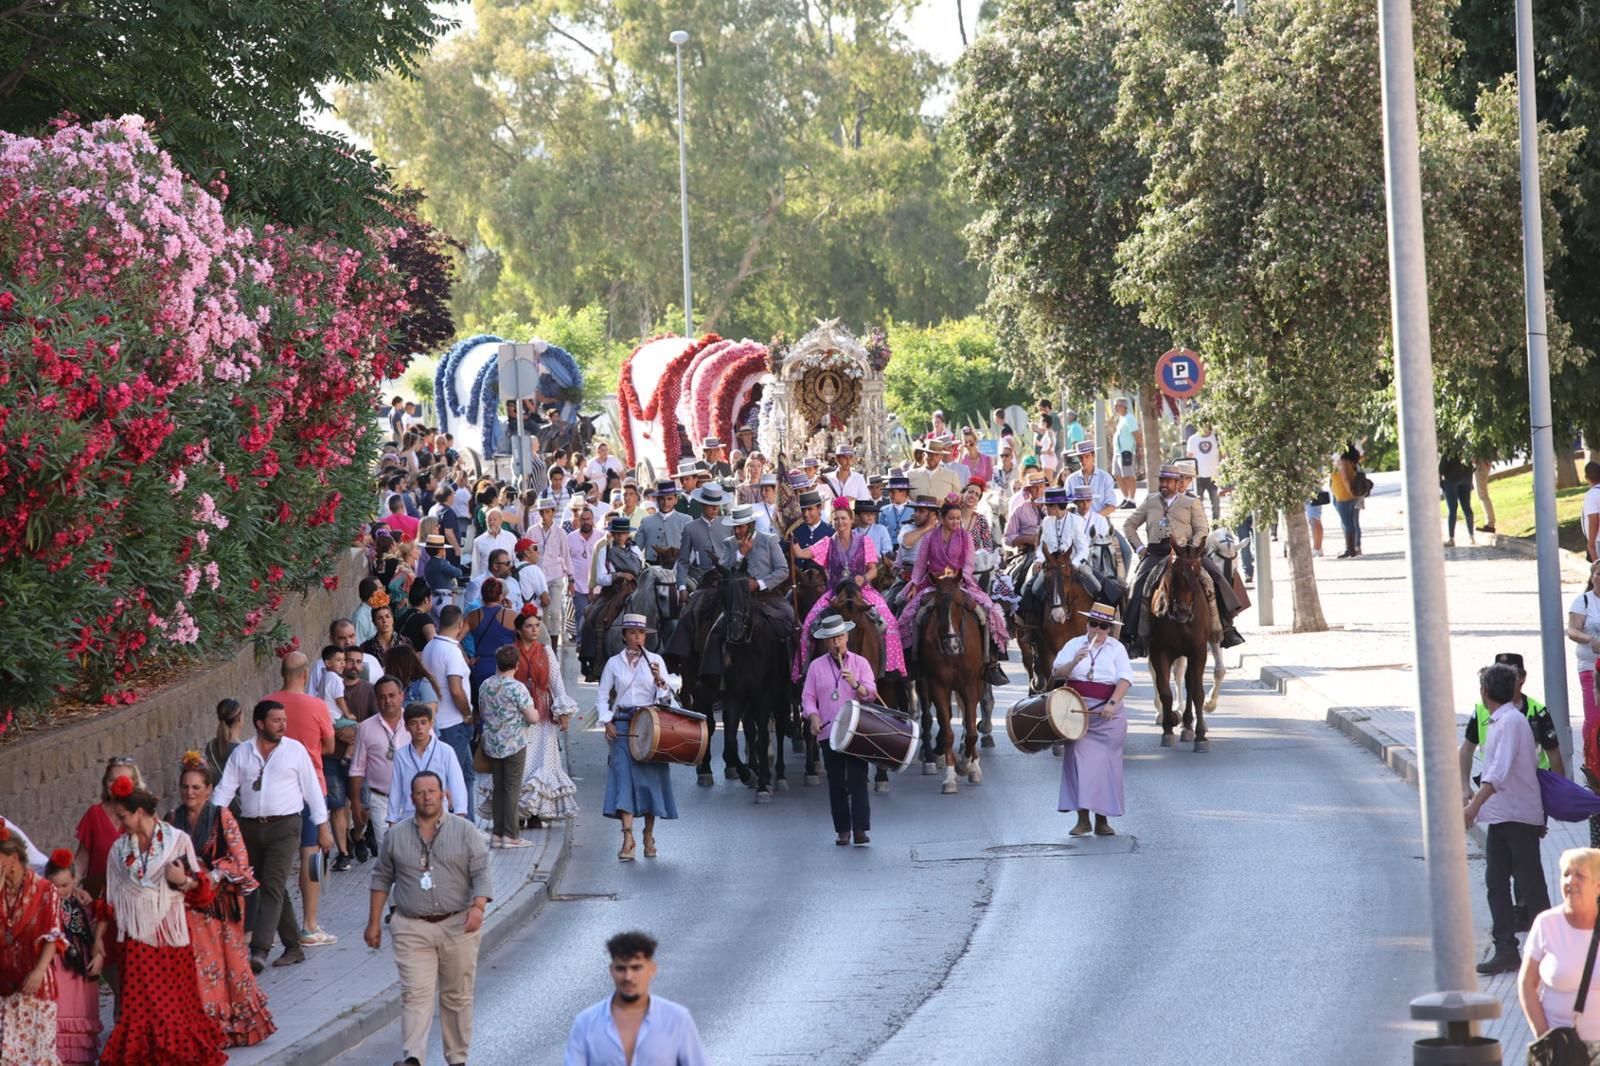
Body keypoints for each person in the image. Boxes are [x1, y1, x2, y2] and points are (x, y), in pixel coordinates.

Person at [365, 771, 492, 1066]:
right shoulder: (396, 836)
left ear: (443, 795)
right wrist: (373, 923)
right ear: (412, 798)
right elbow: (381, 877)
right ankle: (413, 1058)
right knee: (415, 994)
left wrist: (478, 908)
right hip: (412, 926)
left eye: (432, 791)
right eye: (420, 792)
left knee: (456, 996)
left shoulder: (465, 830)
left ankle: (457, 1058)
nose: (427, 797)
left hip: (457, 924)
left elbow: (481, 871)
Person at [99, 781, 228, 1064]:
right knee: (140, 1008)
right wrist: (98, 943)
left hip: (170, 940)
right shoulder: (118, 851)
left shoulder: (176, 841)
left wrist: (184, 881)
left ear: (140, 812)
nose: (120, 825)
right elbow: (109, 902)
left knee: (172, 1007)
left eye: (123, 817)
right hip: (134, 942)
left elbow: (201, 894)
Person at [210, 699, 333, 973]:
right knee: (267, 884)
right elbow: (224, 791)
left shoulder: (295, 751)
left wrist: (322, 826)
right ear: (260, 723)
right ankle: (292, 946)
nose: (282, 726)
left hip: (286, 826)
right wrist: (211, 822)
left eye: (284, 721)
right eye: (277, 721)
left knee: (273, 884)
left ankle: (260, 950)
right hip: (250, 827)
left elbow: (312, 789)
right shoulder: (242, 753)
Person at [166, 753, 275, 1047]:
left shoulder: (221, 817)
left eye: (196, 787)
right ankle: (205, 1026)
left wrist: (213, 875)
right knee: (198, 968)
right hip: (185, 905)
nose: (189, 792)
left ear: (209, 789)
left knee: (226, 964)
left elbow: (240, 859)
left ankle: (234, 1025)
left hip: (218, 904)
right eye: (185, 787)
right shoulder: (172, 820)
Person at [1465, 662, 1551, 974]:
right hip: (1503, 816)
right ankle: (1505, 948)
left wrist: (1473, 806)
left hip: (1518, 816)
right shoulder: (1502, 720)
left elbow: (1497, 773)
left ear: (1484, 692)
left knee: (1531, 887)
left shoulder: (1512, 722)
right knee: (1495, 882)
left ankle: (1553, 950)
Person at [1121, 464, 1244, 657]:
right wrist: (1140, 548)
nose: (1164, 485)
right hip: (1156, 553)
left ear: (1178, 483)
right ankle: (1134, 637)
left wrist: (1191, 549)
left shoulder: (1190, 502)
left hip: (1188, 553)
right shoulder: (1150, 501)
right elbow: (1129, 525)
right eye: (1162, 480)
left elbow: (1202, 529)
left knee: (1213, 580)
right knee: (1138, 586)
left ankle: (1226, 628)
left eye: (1168, 481)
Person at [896, 495, 1010, 685]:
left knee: (987, 612)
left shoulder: (965, 536)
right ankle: (912, 661)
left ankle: (991, 662)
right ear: (941, 518)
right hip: (933, 585)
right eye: (951, 518)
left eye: (958, 518)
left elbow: (969, 561)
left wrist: (960, 577)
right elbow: (921, 563)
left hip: (960, 583)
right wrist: (915, 583)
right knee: (909, 613)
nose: (956, 522)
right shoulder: (929, 537)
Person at [792, 497, 905, 681]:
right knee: (808, 625)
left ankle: (890, 668)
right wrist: (792, 537)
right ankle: (804, 669)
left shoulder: (864, 541)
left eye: (844, 518)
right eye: (836, 519)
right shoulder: (828, 542)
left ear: (851, 520)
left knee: (890, 622)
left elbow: (874, 570)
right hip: (835, 593)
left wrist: (864, 578)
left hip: (862, 592)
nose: (840, 522)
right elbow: (801, 553)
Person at [596, 615, 679, 861]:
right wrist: (606, 720)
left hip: (649, 725)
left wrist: (658, 679)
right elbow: (602, 695)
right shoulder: (613, 663)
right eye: (632, 633)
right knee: (623, 779)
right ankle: (628, 838)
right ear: (624, 635)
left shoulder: (656, 660)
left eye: (641, 633)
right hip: (622, 724)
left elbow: (666, 697)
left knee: (650, 781)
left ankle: (649, 834)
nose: (637, 638)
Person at [1050, 603, 1135, 837]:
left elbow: (1125, 679)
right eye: (1094, 624)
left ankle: (1103, 820)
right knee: (1078, 762)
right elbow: (1057, 673)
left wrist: (1112, 704)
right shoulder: (1073, 644)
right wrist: (1074, 661)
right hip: (1076, 711)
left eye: (1104, 626)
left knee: (1105, 765)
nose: (1098, 630)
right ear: (1087, 624)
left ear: (1109, 628)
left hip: (1107, 713)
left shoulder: (1116, 648)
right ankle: (1082, 819)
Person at [564, 930, 707, 1066]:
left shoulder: (676, 1019)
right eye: (621, 968)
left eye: (636, 968)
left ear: (652, 969)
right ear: (611, 970)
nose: (628, 977)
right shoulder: (586, 1023)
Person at [802, 615, 879, 846]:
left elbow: (872, 693)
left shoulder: (860, 663)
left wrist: (856, 684)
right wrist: (813, 716)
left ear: (847, 637)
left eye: (840, 637)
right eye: (831, 639)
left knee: (858, 779)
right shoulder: (816, 666)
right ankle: (842, 830)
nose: (836, 643)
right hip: (829, 732)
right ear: (826, 641)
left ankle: (860, 829)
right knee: (836, 782)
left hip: (856, 730)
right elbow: (808, 697)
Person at [504, 605, 579, 826]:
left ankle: (536, 812)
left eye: (537, 626)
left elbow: (556, 683)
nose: (535, 630)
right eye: (529, 626)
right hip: (517, 717)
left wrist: (563, 712)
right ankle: (516, 813)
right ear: (519, 630)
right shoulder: (510, 652)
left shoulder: (546, 652)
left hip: (543, 714)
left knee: (541, 764)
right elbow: (503, 684)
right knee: (520, 764)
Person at [1519, 848, 1600, 1047]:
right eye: (1566, 874)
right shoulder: (1547, 923)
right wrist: (1544, 1037)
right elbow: (1527, 984)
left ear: (1597, 886)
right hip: (1562, 1049)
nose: (1570, 881)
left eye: (1580, 875)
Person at [0, 822, 64, 1065]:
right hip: (3, 985)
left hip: (34, 985)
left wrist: (39, 971)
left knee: (37, 1056)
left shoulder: (45, 889)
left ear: (13, 858)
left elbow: (53, 933)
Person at [475, 645, 541, 849]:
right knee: (512, 788)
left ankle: (497, 832)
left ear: (498, 663)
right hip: (514, 743)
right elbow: (531, 717)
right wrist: (536, 714)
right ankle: (511, 835)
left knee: (498, 788)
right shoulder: (517, 688)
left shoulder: (486, 685)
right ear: (516, 665)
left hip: (492, 743)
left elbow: (482, 710)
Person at [43, 848, 103, 1064]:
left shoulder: (82, 904)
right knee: (59, 1016)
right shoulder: (43, 904)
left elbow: (96, 933)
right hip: (56, 965)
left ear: (74, 881)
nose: (59, 891)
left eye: (65, 885)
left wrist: (99, 956)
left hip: (81, 966)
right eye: (54, 886)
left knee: (79, 1013)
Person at [422, 604, 477, 813]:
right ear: (460, 624)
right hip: (454, 723)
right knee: (458, 777)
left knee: (466, 773)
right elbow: (456, 689)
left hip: (440, 721)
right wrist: (467, 714)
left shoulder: (430, 647)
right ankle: (463, 823)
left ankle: (468, 821)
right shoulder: (451, 652)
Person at [351, 676, 407, 855]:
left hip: (412, 799)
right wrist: (356, 803)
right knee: (388, 853)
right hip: (380, 799)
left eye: (392, 695)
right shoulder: (366, 728)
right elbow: (357, 769)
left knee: (413, 852)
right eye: (382, 696)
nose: (387, 700)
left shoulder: (416, 723)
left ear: (401, 696)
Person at [389, 703, 471, 824]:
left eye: (423, 722)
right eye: (413, 723)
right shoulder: (401, 754)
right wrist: (392, 818)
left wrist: (460, 813)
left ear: (431, 724)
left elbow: (457, 783)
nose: (419, 728)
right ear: (406, 727)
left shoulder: (445, 750)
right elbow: (396, 788)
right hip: (410, 816)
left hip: (440, 816)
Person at [76, 755, 143, 898]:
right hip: (98, 896)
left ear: (135, 783)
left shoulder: (143, 814)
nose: (116, 785)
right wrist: (70, 887)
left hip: (134, 896)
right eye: (111, 780)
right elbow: (81, 860)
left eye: (123, 780)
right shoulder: (94, 814)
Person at [533, 495, 574, 651]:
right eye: (542, 512)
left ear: (553, 512)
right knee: (541, 614)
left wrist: (571, 579)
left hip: (555, 575)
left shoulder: (560, 532)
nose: (544, 515)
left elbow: (566, 555)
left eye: (547, 512)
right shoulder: (533, 531)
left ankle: (554, 650)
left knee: (555, 613)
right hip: (538, 577)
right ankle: (543, 647)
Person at [1331, 444, 1364, 558]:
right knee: (1349, 522)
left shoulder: (1343, 461)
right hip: (1343, 496)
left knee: (1347, 523)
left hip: (1344, 496)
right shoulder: (1349, 462)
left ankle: (1350, 549)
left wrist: (1350, 491)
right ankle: (1351, 547)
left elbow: (1345, 478)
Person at [1185, 422, 1222, 521]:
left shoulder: (1216, 438)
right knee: (1197, 506)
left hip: (1214, 477)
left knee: (1216, 506)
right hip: (1198, 477)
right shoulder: (1193, 439)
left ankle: (1216, 526)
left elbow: (1222, 455)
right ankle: (1202, 526)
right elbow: (1189, 458)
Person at [1440, 452, 1476, 547]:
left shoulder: (1448, 449)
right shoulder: (1465, 448)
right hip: (1466, 478)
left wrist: (1442, 484)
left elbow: (1441, 469)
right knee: (1467, 507)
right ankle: (1471, 536)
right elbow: (1473, 465)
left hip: (1451, 480)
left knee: (1452, 509)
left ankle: (1451, 539)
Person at [1110, 397, 1141, 506]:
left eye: (1116, 405)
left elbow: (1136, 434)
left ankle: (1132, 500)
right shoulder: (1122, 419)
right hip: (1118, 452)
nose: (1115, 408)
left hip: (1126, 452)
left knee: (1128, 476)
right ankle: (1126, 497)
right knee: (1117, 475)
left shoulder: (1129, 418)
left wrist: (1139, 448)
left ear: (1124, 406)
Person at [1582, 462, 1600, 562]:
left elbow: (1594, 522)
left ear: (1587, 478)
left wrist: (1591, 545)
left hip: (1598, 540)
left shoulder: (1591, 495)